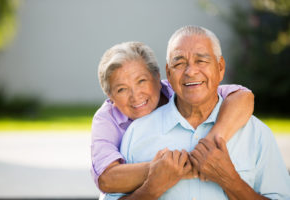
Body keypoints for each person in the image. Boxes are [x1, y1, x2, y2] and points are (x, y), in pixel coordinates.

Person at [105, 26, 290, 200]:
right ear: (168, 74)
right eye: (179, 63)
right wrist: (151, 189)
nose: (191, 71)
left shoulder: (256, 134)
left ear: (220, 68)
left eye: (201, 61)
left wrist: (231, 181)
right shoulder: (137, 134)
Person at [91, 41, 254, 196]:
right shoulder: (106, 119)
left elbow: (242, 96)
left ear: (157, 76)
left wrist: (212, 144)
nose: (135, 95)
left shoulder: (180, 88)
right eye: (121, 89)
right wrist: (169, 169)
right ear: (110, 96)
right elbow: (107, 179)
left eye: (141, 81)